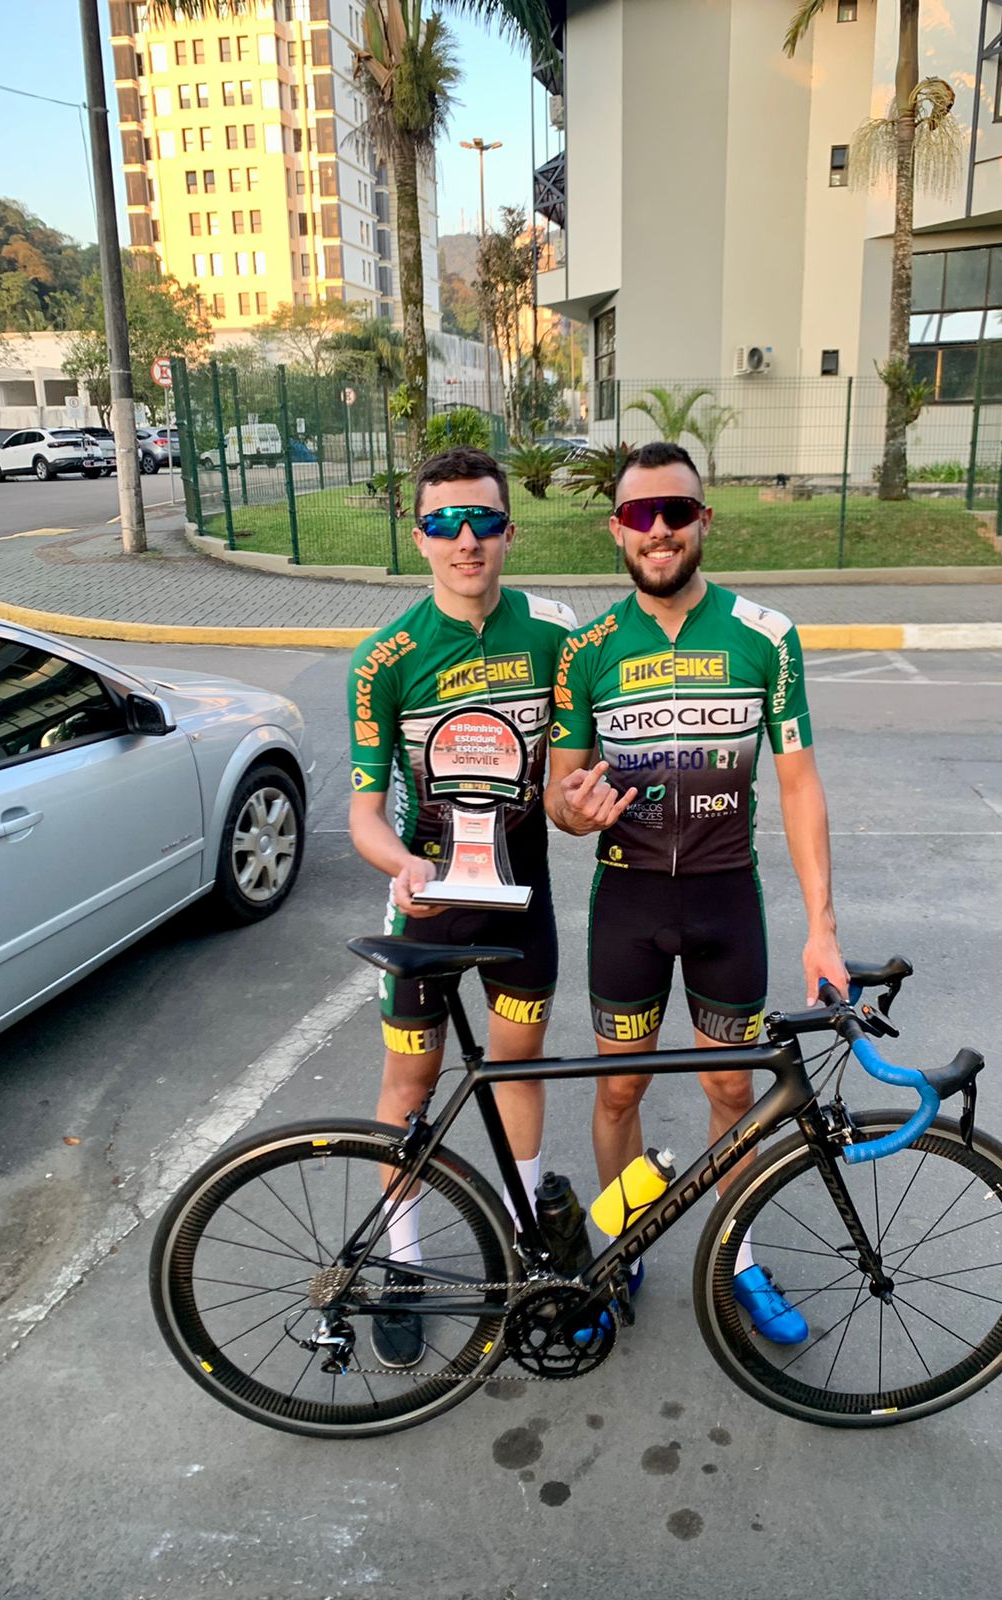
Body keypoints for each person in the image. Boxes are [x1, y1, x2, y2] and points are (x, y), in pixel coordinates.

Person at [546, 440, 849, 1343]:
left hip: (725, 901)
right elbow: (561, 795)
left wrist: (822, 928)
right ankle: (620, 1252)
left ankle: (738, 1256)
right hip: (628, 902)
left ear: (703, 521)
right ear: (617, 530)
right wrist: (574, 813)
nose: (659, 530)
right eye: (640, 515)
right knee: (618, 1091)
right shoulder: (588, 650)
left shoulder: (765, 635)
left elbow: (799, 784)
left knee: (729, 1088)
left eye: (676, 511)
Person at [348, 445, 575, 1367]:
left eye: (482, 519)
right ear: (420, 538)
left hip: (524, 903)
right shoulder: (386, 659)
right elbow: (363, 815)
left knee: (517, 1070)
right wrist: (402, 864)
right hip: (429, 910)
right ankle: (399, 1265)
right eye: (444, 523)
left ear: (509, 531)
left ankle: (524, 1242)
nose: (466, 539)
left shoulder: (554, 635)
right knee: (411, 1085)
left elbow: (573, 770)